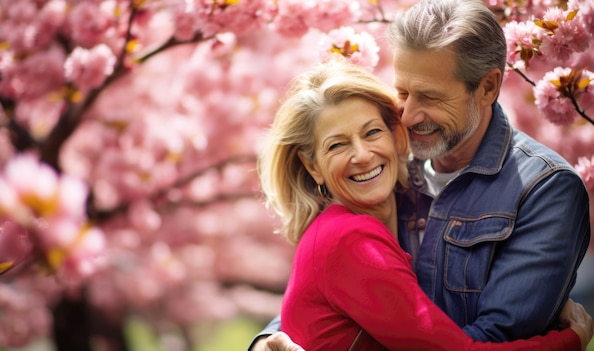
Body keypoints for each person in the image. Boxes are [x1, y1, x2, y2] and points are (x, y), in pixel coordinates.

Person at [250, 0, 592, 349]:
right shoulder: (384, 169)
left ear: (488, 87)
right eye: (403, 92)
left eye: (429, 97)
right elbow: (335, 291)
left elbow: (498, 333)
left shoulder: (543, 190)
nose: (410, 115)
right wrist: (266, 341)